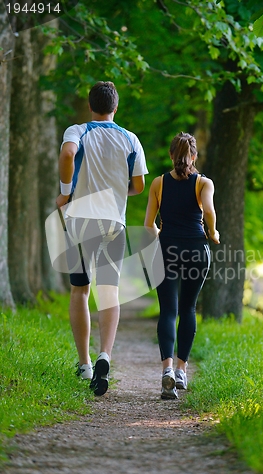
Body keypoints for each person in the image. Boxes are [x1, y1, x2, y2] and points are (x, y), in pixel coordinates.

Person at [56, 81, 148, 396]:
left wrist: (65, 192)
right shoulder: (130, 138)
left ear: (90, 105)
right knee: (109, 293)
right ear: (115, 108)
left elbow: (69, 153)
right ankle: (104, 355)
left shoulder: (77, 131)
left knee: (80, 291)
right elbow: (138, 186)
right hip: (114, 223)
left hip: (80, 221)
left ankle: (84, 364)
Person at [144, 132, 219, 399]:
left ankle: (166, 371)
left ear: (170, 155)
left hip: (167, 251)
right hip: (197, 250)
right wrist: (214, 232)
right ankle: (181, 371)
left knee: (168, 311)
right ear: (194, 156)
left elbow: (148, 225)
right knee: (188, 309)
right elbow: (208, 211)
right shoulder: (203, 183)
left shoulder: (158, 183)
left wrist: (162, 235)